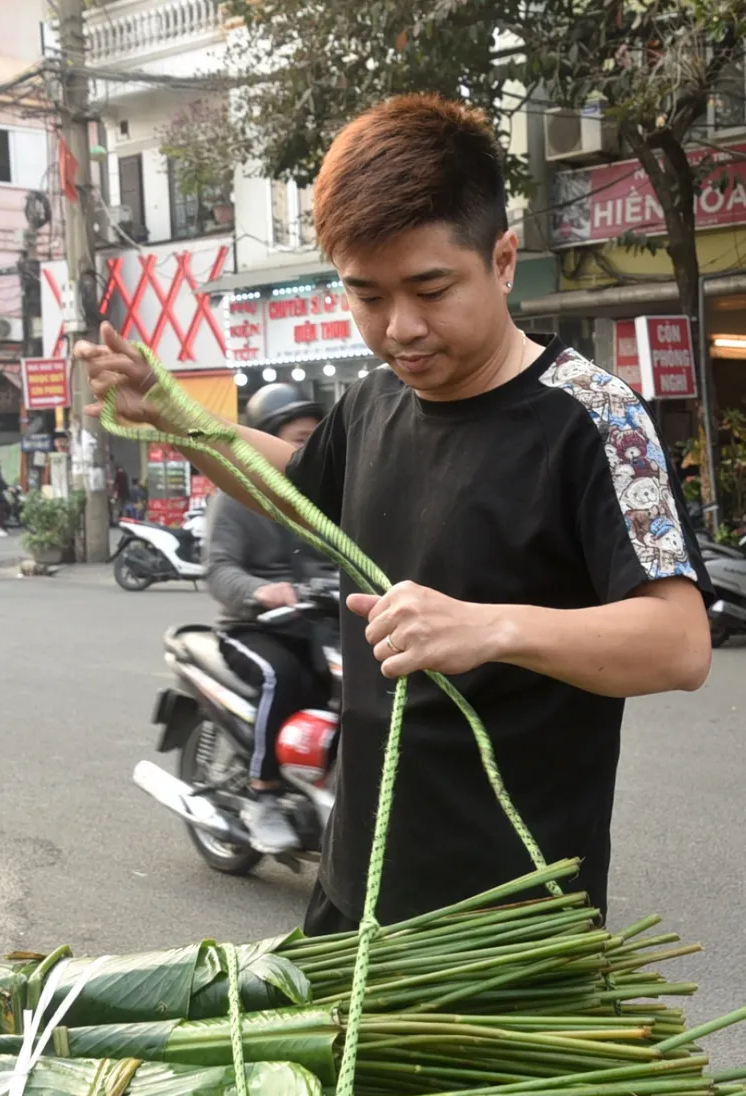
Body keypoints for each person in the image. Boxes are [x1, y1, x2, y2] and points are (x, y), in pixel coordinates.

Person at [76, 93, 713, 932]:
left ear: (504, 257)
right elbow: (297, 491)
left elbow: (678, 641)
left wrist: (491, 628)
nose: (400, 328)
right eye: (367, 295)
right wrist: (176, 416)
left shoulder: (595, 419)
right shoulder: (373, 401)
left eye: (430, 287)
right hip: (358, 885)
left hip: (509, 920)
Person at [206, 384, 337, 853]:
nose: (306, 450)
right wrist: (260, 591)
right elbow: (218, 569)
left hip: (318, 624)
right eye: (298, 439)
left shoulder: (321, 496)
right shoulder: (235, 495)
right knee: (281, 677)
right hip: (254, 627)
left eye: (312, 440)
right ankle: (262, 795)